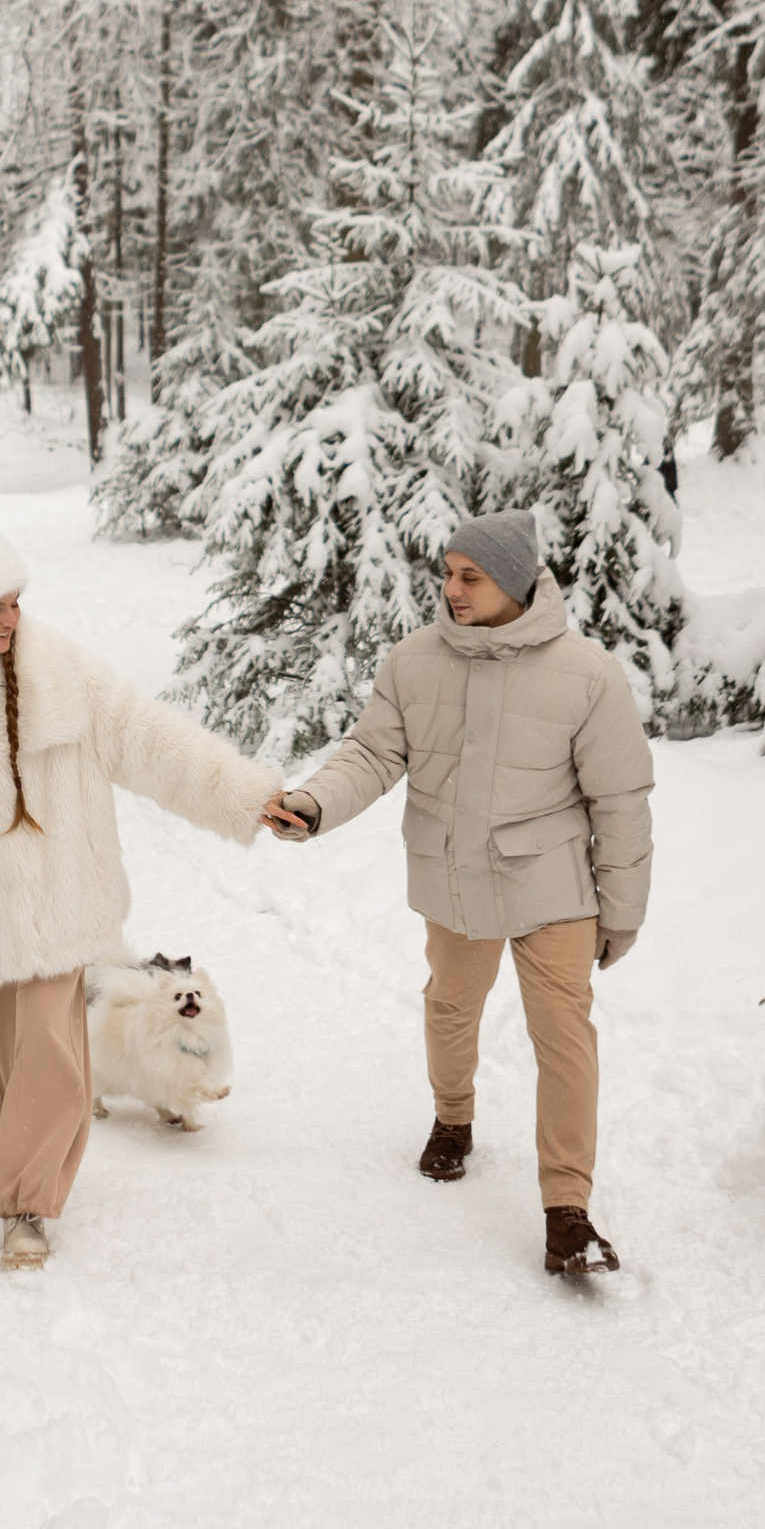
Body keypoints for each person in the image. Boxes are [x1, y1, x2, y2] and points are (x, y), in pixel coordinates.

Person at [0, 536, 276, 1271]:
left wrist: (245, 797)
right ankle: (15, 1154)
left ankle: (26, 1205)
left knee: (51, 1056)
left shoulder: (61, 673)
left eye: (15, 604)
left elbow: (150, 738)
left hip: (60, 910)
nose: (11, 620)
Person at [261, 509, 653, 1275]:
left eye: (470, 576)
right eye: (447, 573)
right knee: (450, 1007)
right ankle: (453, 1119)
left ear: (513, 580)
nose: (452, 588)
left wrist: (622, 910)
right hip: (454, 875)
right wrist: (313, 804)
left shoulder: (588, 674)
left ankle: (567, 1210)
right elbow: (372, 754)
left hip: (553, 884)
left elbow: (621, 801)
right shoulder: (415, 661)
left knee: (564, 1036)